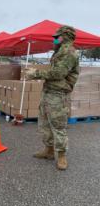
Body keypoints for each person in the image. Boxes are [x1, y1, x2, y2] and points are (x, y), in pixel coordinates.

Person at [26, 25, 79, 170]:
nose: (54, 40)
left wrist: (35, 73)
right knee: (45, 123)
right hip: (49, 92)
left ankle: (61, 156)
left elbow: (58, 73)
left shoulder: (68, 52)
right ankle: (49, 150)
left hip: (58, 94)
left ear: (65, 36)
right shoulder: (60, 51)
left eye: (57, 37)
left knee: (58, 125)